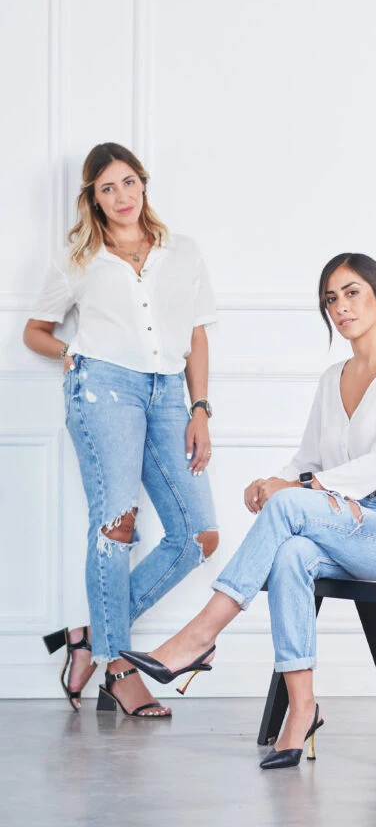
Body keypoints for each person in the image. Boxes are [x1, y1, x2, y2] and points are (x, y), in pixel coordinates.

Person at [122, 252, 376, 763]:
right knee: (291, 553)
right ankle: (302, 709)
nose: (341, 307)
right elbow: (308, 458)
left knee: (291, 506)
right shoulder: (333, 377)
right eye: (331, 299)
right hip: (351, 525)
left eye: (352, 293)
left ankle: (200, 636)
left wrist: (295, 489)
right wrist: (274, 481)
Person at [25, 143, 219, 717]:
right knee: (116, 527)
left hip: (170, 394)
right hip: (103, 389)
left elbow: (197, 334)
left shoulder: (183, 252)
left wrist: (200, 407)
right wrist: (69, 353)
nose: (122, 196)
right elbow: (35, 331)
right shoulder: (79, 258)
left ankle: (90, 636)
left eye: (129, 182)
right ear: (93, 198)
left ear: (143, 183)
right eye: (107, 188)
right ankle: (118, 668)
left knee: (198, 535)